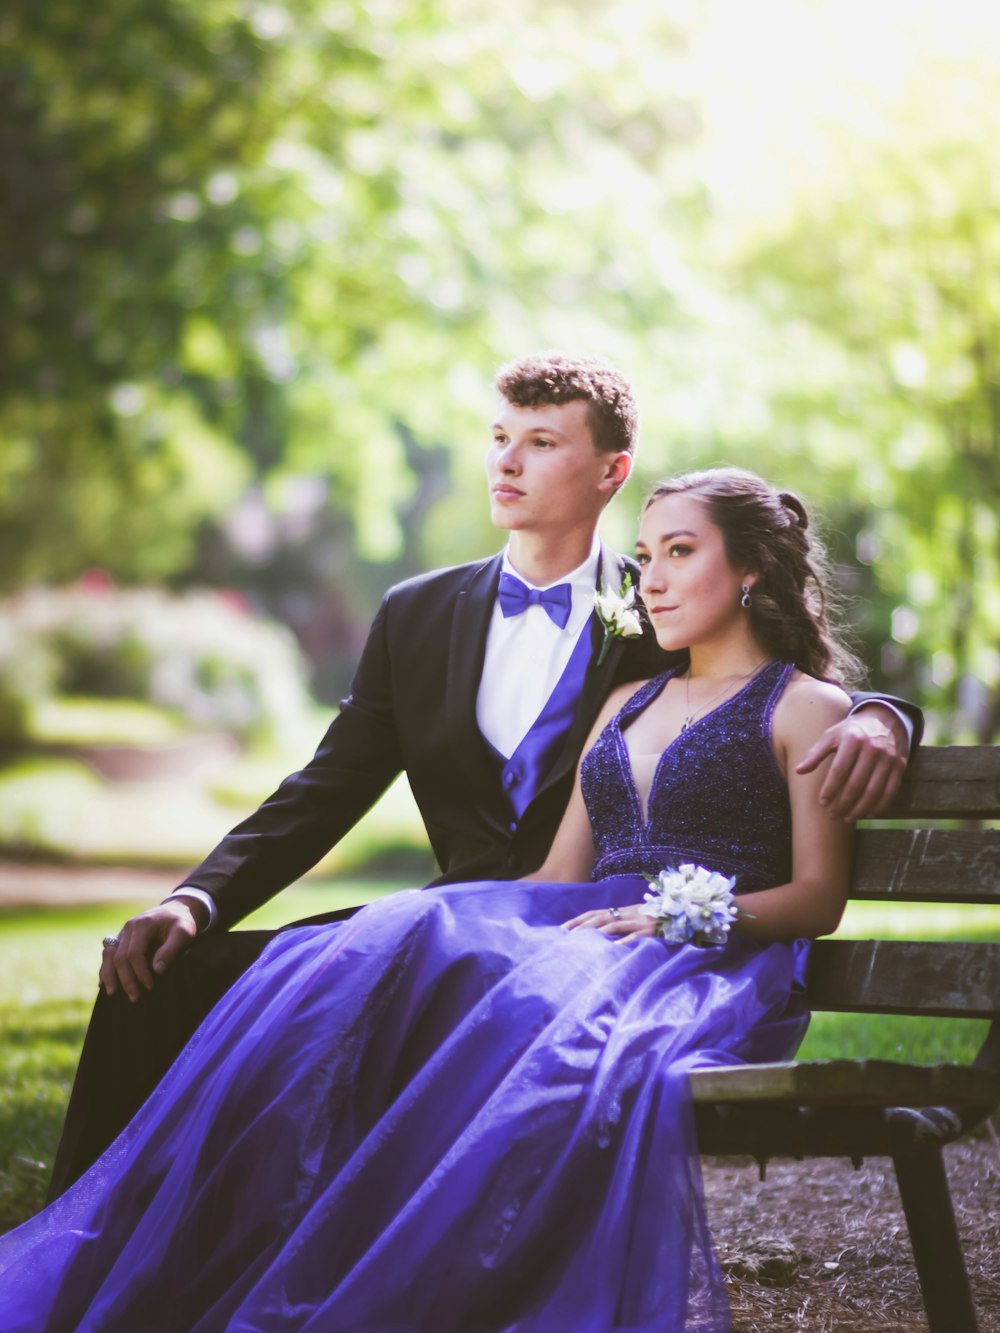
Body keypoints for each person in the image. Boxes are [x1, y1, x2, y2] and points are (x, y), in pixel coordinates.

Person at [1, 467, 860, 1331]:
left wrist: (671, 916)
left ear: (750, 568)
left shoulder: (808, 709)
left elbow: (819, 899)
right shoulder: (623, 702)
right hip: (586, 927)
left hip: (701, 965)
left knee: (513, 1011)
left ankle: (425, 1284)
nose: (656, 579)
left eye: (681, 551)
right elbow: (553, 882)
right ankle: (249, 1239)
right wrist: (435, 922)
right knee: (391, 942)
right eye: (646, 555)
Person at [49, 353, 919, 1198]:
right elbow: (325, 788)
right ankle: (96, 1243)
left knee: (362, 1023)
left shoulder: (663, 607)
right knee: (163, 978)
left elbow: (773, 679)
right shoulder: (416, 614)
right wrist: (192, 900)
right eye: (499, 435)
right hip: (463, 917)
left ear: (613, 470)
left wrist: (886, 715)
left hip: (581, 945)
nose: (505, 459)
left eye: (541, 442)